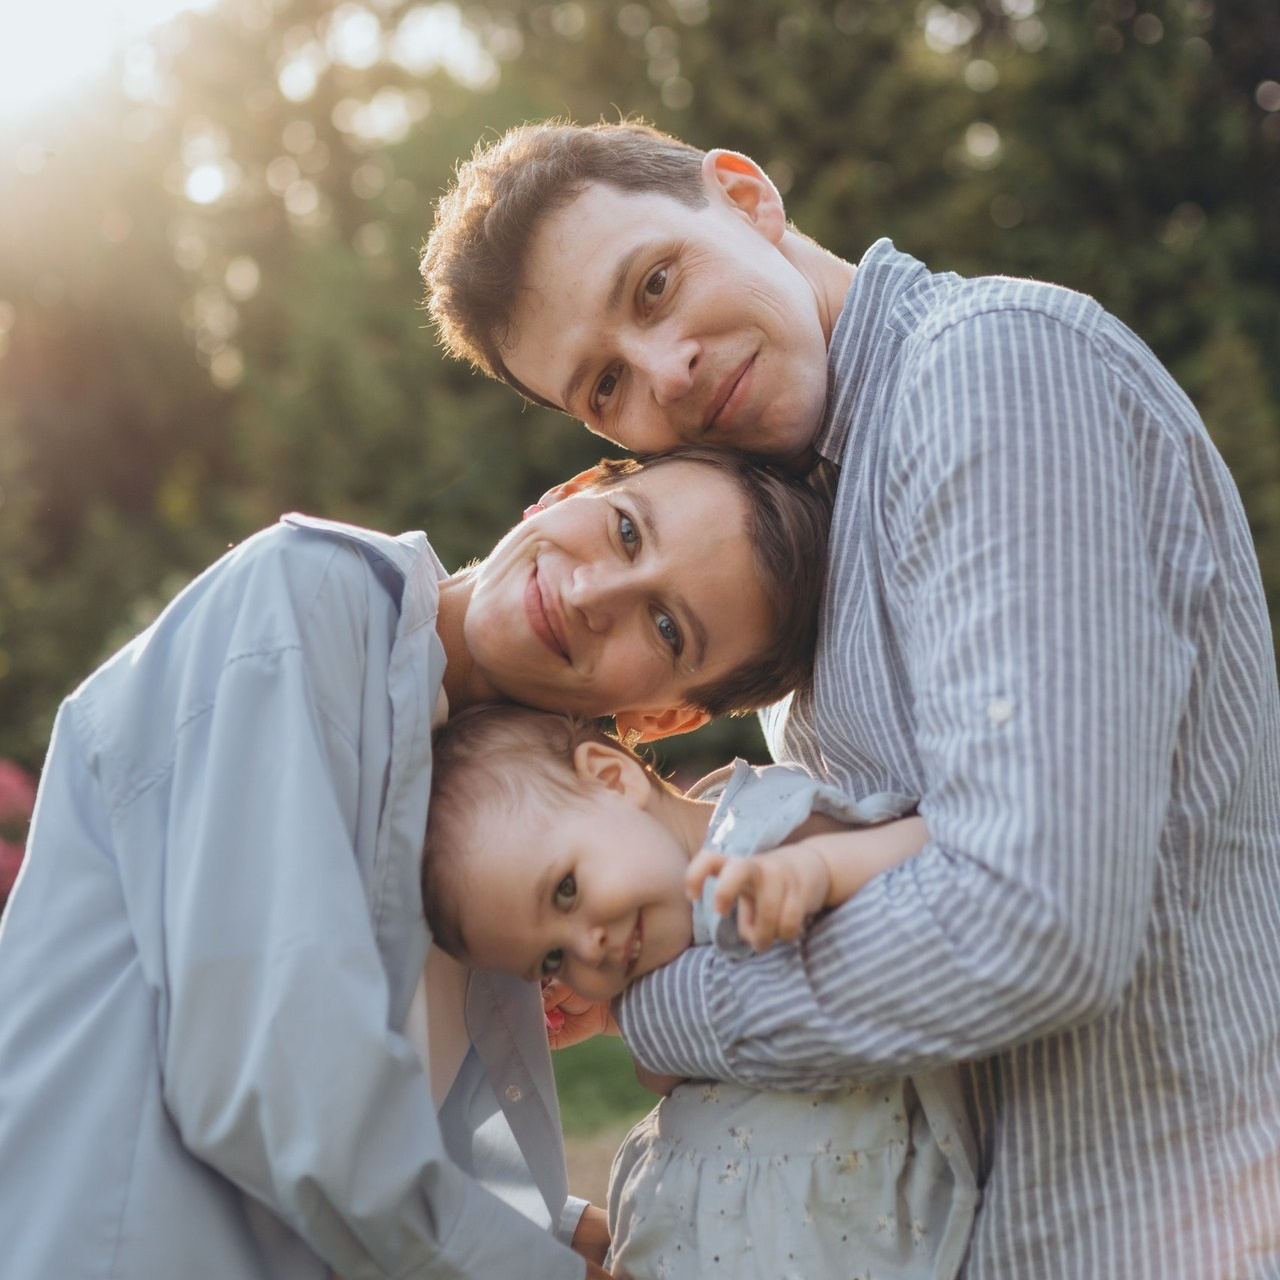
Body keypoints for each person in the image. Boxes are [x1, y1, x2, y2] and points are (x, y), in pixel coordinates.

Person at [421, 120, 1280, 1277]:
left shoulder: (986, 373)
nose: (667, 369)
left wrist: (660, 1007)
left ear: (743, 195)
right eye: (607, 380)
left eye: (657, 283)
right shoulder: (804, 573)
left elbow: (1031, 920)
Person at [0, 446, 829, 1280]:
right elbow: (279, 1085)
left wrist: (552, 1229)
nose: (591, 594)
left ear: (663, 715)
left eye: (665, 626)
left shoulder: (509, 830)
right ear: (566, 491)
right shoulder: (307, 599)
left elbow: (388, 1105)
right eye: (624, 530)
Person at [421, 703, 979, 1280]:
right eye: (552, 958)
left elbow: (940, 854)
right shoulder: (667, 947)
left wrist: (822, 866)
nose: (587, 948)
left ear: (613, 780)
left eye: (565, 890)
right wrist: (619, 1018)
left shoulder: (765, 832)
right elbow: (707, 1068)